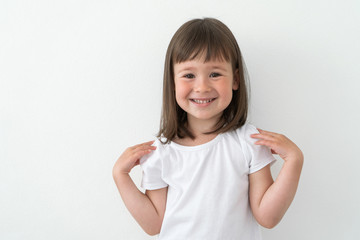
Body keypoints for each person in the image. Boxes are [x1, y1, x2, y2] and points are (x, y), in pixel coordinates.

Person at [113, 18, 303, 239]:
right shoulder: (160, 152)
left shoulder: (250, 141)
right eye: (189, 75)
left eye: (214, 74)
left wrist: (294, 160)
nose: (202, 87)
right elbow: (154, 224)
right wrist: (121, 175)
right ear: (172, 82)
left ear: (235, 79)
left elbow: (268, 217)